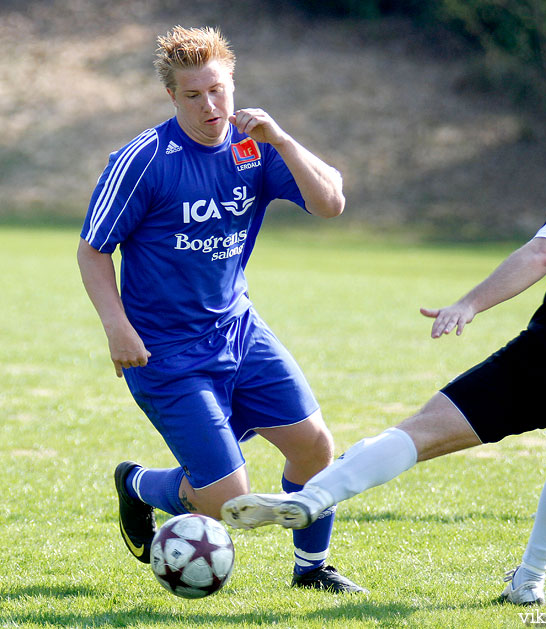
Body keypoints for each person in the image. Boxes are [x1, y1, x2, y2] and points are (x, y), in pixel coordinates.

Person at [221, 93, 546, 605]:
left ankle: (315, 497)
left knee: (421, 432)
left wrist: (470, 303)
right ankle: (530, 583)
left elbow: (541, 253)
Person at [77, 25, 366, 594]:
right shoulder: (144, 160)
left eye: (218, 90)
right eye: (193, 95)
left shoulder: (255, 145)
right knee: (229, 503)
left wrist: (282, 140)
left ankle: (312, 570)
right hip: (166, 355)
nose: (210, 105)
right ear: (172, 96)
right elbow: (92, 249)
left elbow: (331, 204)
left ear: (233, 83)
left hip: (239, 332)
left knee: (315, 445)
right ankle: (138, 484)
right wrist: (117, 328)